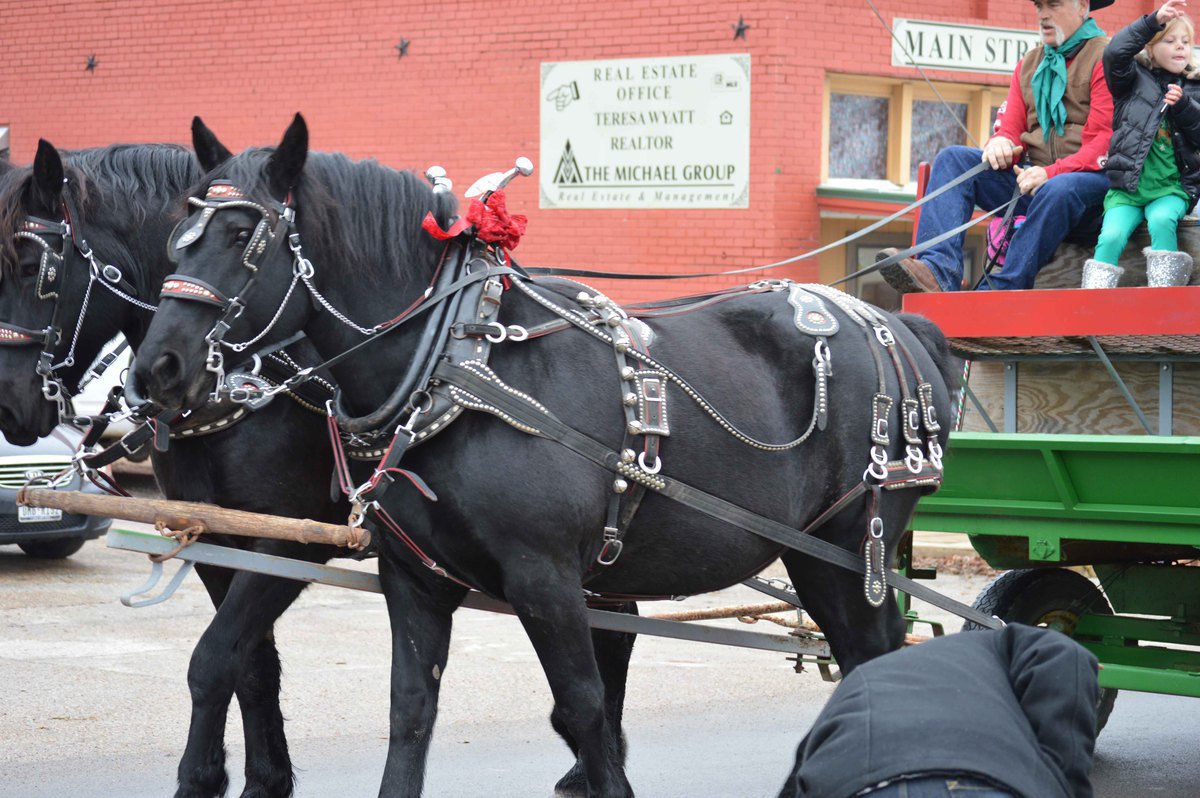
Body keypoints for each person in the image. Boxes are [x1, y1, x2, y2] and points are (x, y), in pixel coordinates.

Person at [879, 0, 1115, 293]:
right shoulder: (1029, 64)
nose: (1043, 13)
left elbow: (1104, 144)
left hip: (1094, 195)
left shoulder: (1108, 57)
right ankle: (938, 271)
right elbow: (1010, 128)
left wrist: (1051, 174)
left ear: (1082, 6)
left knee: (1060, 188)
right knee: (954, 159)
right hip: (1038, 186)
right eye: (1039, 5)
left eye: (1053, 4)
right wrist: (1000, 142)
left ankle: (1002, 289)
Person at [777, 624, 1099, 798]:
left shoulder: (863, 680)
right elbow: (1065, 660)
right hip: (981, 783)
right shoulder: (1014, 645)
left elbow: (802, 768)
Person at [1083, 0, 1200, 288]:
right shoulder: (1131, 80)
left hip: (1171, 188)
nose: (1180, 47)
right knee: (1111, 235)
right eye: (1170, 40)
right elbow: (1114, 53)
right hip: (1128, 190)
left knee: (1162, 220)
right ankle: (1092, 303)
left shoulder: (1195, 86)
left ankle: (1164, 296)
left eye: (1186, 41)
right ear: (1151, 46)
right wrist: (1153, 21)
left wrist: (1185, 107)